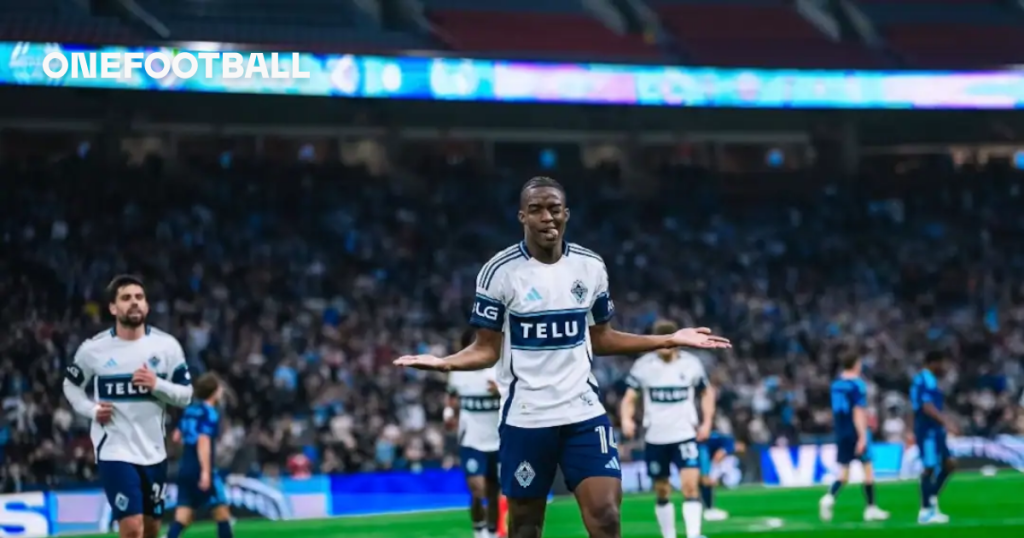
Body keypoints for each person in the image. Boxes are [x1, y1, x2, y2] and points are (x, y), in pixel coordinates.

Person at [394, 177, 731, 538]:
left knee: (606, 516)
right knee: (525, 527)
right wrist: (445, 363)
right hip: (527, 417)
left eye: (554, 208)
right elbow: (486, 349)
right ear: (522, 216)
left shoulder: (590, 266)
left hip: (582, 413)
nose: (547, 217)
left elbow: (603, 338)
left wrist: (669, 340)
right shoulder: (499, 272)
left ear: (566, 214)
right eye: (536, 209)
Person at [63, 275, 194, 538]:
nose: (134, 302)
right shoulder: (94, 349)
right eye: (126, 298)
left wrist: (157, 384)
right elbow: (71, 386)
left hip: (154, 452)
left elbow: (186, 395)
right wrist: (91, 410)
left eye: (139, 297)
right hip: (115, 450)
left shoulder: (167, 346)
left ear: (146, 305)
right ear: (113, 308)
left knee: (151, 529)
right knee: (132, 527)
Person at [619, 320, 716, 538]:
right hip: (656, 436)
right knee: (662, 489)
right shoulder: (643, 366)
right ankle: (669, 535)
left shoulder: (691, 364)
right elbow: (630, 397)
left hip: (685, 434)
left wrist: (707, 422)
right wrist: (626, 419)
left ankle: (694, 535)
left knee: (690, 486)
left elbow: (707, 392)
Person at [819, 353, 890, 522]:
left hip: (841, 431)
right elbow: (858, 411)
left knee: (843, 472)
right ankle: (871, 508)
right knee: (868, 469)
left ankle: (829, 497)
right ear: (856, 364)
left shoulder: (836, 384)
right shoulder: (858, 384)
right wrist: (862, 436)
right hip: (855, 430)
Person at [446, 329, 501, 538]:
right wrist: (448, 415)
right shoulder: (458, 371)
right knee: (478, 489)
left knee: (494, 491)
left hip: (499, 439)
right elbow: (451, 400)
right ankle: (479, 530)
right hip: (471, 439)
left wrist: (501, 392)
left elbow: (518, 397)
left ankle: (492, 532)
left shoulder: (500, 369)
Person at [167, 373, 233, 538]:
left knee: (183, 515)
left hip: (185, 466)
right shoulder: (209, 413)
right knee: (222, 511)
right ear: (213, 391)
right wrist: (205, 472)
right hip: (200, 466)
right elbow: (203, 441)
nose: (221, 391)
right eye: (219, 388)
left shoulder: (190, 410)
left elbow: (176, 436)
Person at [909, 350, 958, 525]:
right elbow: (926, 406)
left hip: (935, 430)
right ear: (933, 363)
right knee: (929, 467)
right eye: (941, 363)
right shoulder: (924, 379)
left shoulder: (931, 380)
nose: (943, 367)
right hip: (927, 430)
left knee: (949, 464)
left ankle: (931, 500)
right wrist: (946, 421)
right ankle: (925, 511)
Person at [698, 431, 734, 521]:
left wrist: (723, 451)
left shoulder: (714, 437)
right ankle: (708, 509)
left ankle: (708, 508)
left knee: (705, 480)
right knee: (704, 480)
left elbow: (729, 442)